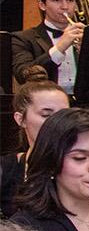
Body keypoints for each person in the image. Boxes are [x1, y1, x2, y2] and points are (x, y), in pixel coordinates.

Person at [3, 81, 71, 217]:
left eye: (64, 115)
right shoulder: (5, 169)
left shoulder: (85, 167)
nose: (57, 122)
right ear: (20, 119)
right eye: (46, 115)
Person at [8, 0, 82, 96]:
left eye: (70, 0)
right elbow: (24, 75)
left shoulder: (86, 35)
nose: (65, 6)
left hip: (85, 105)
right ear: (42, 4)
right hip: (46, 103)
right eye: (56, 0)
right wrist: (59, 48)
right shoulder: (22, 38)